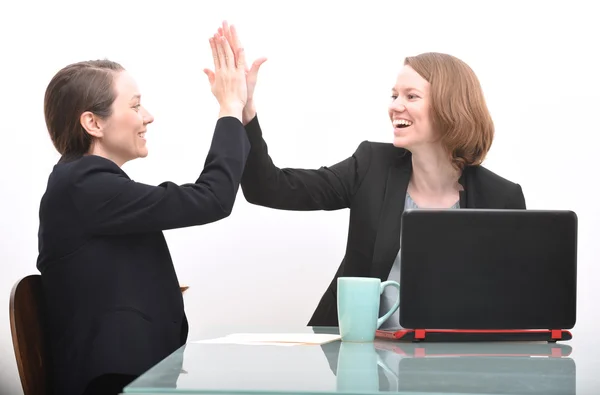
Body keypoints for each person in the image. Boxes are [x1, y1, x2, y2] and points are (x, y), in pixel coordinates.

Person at [214, 23, 526, 328]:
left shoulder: (501, 197)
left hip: (457, 366)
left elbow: (514, 303)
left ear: (450, 107)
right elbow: (268, 188)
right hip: (365, 360)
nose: (395, 107)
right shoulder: (371, 166)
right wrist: (245, 113)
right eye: (394, 95)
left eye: (411, 96)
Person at [36, 35, 248, 395]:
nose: (148, 116)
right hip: (113, 384)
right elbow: (212, 199)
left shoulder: (86, 186)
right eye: (135, 106)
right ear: (93, 123)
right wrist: (230, 107)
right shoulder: (84, 185)